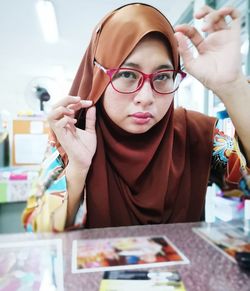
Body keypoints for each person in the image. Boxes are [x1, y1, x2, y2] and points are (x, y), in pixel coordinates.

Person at [22, 3, 250, 232]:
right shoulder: (72, 135)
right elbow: (38, 232)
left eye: (162, 76)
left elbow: (245, 184)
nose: (146, 97)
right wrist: (78, 170)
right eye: (127, 74)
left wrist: (234, 88)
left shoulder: (197, 134)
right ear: (99, 76)